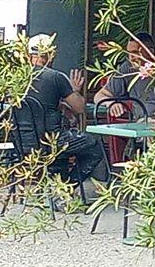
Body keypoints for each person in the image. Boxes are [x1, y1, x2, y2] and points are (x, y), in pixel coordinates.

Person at [24, 34, 105, 184]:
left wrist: (59, 104)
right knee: (94, 146)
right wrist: (74, 90)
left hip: (21, 142)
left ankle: (58, 181)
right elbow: (80, 108)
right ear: (51, 55)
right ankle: (68, 185)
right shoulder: (55, 77)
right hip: (52, 141)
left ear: (28, 55)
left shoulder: (14, 79)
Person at [94, 32, 155, 121]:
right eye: (129, 53)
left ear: (150, 51)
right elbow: (99, 96)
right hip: (139, 123)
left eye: (135, 52)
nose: (131, 57)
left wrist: (154, 118)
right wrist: (111, 103)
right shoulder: (128, 68)